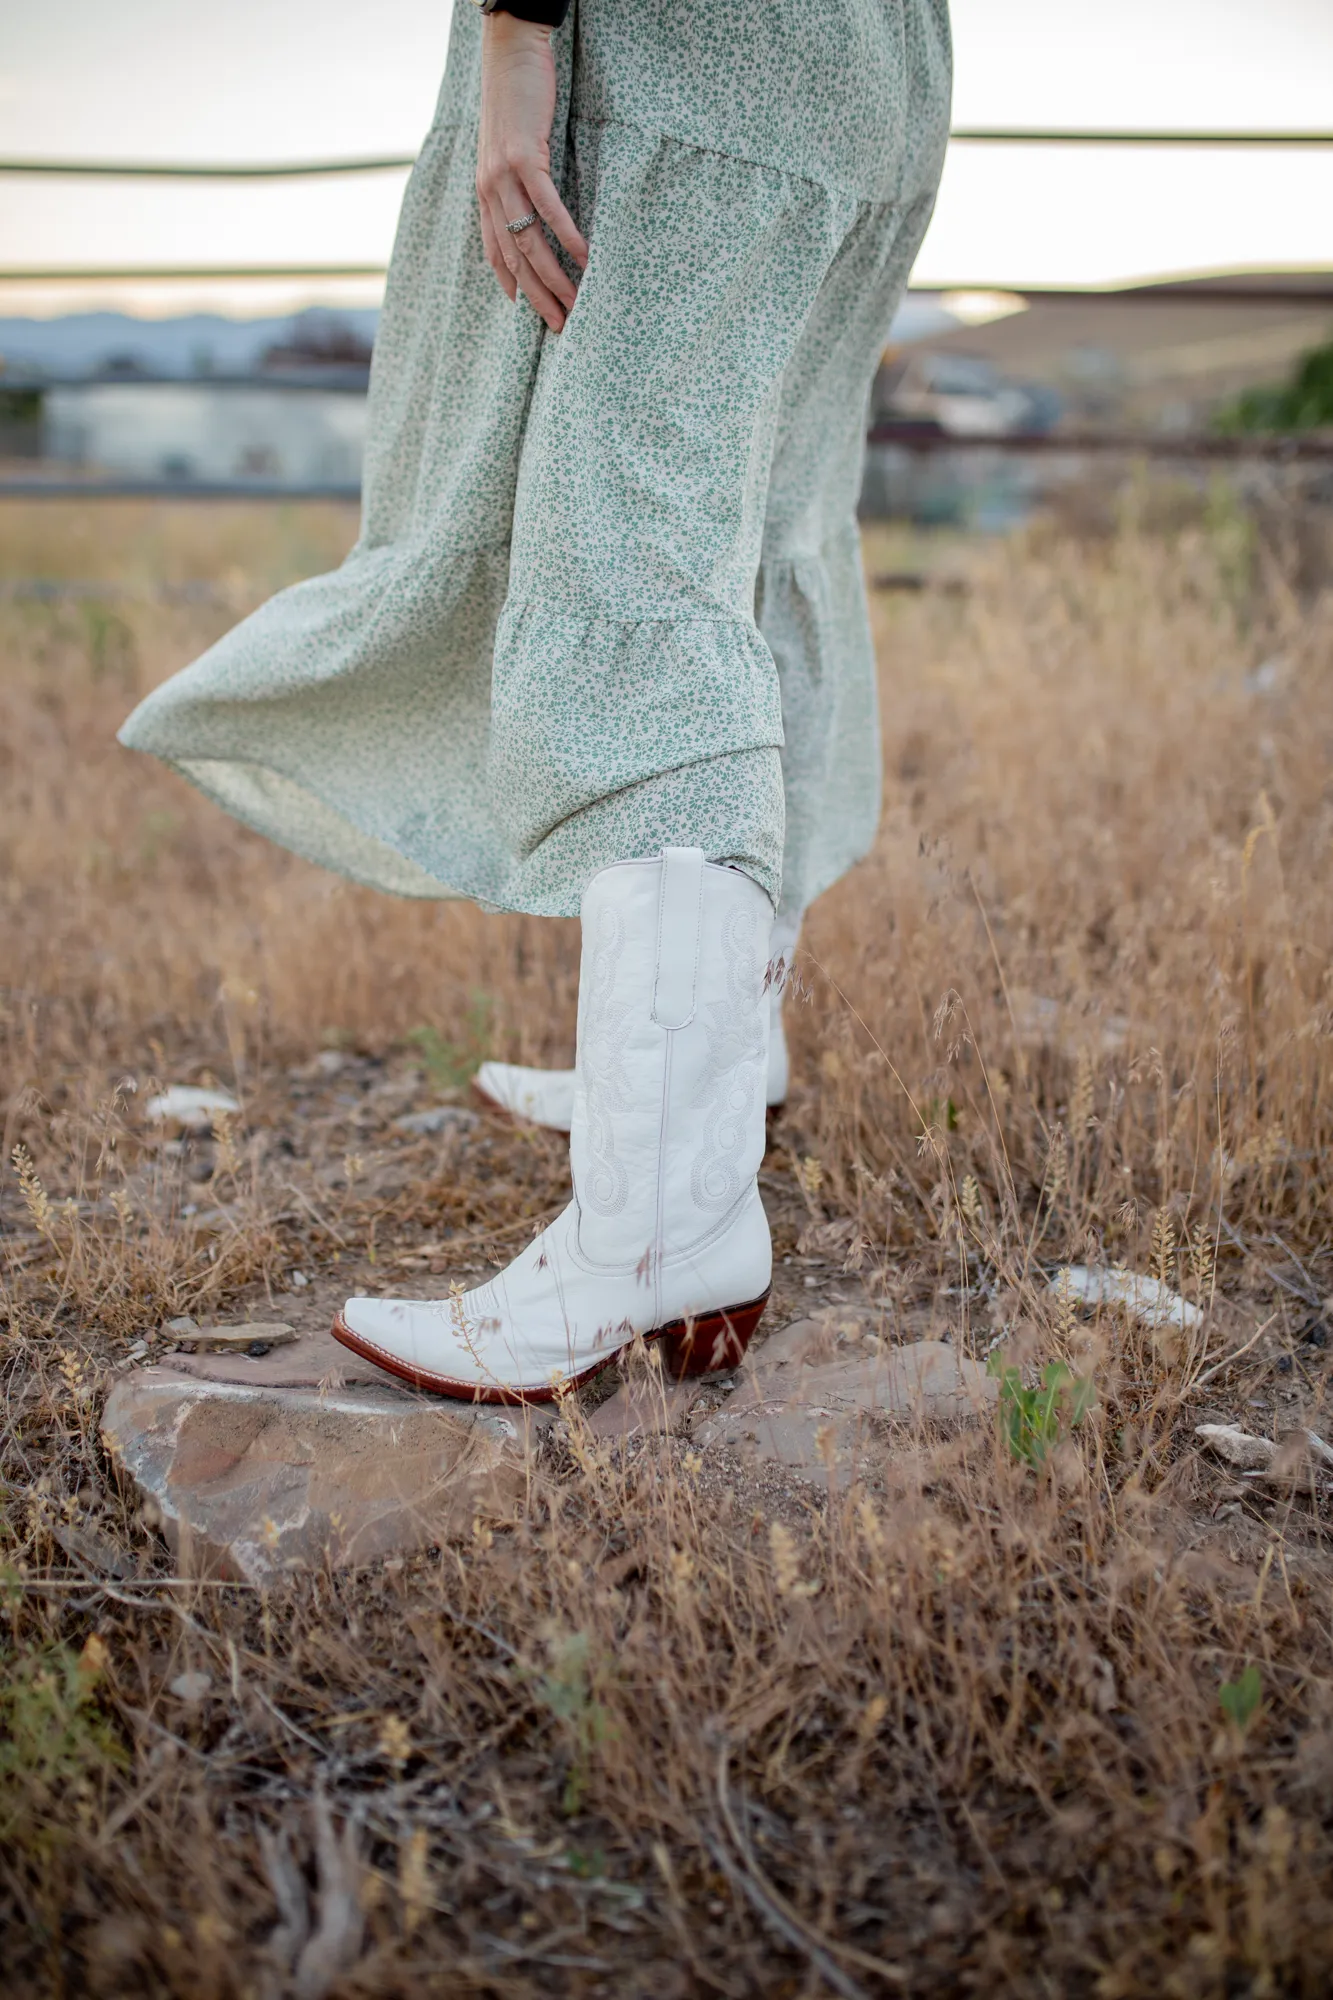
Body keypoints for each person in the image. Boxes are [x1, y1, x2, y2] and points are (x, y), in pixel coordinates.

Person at [119, 0, 951, 1403]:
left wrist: (517, 34)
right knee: (752, 531)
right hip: (873, 62)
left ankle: (656, 1234)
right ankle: (706, 1079)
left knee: (634, 564)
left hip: (704, 60)